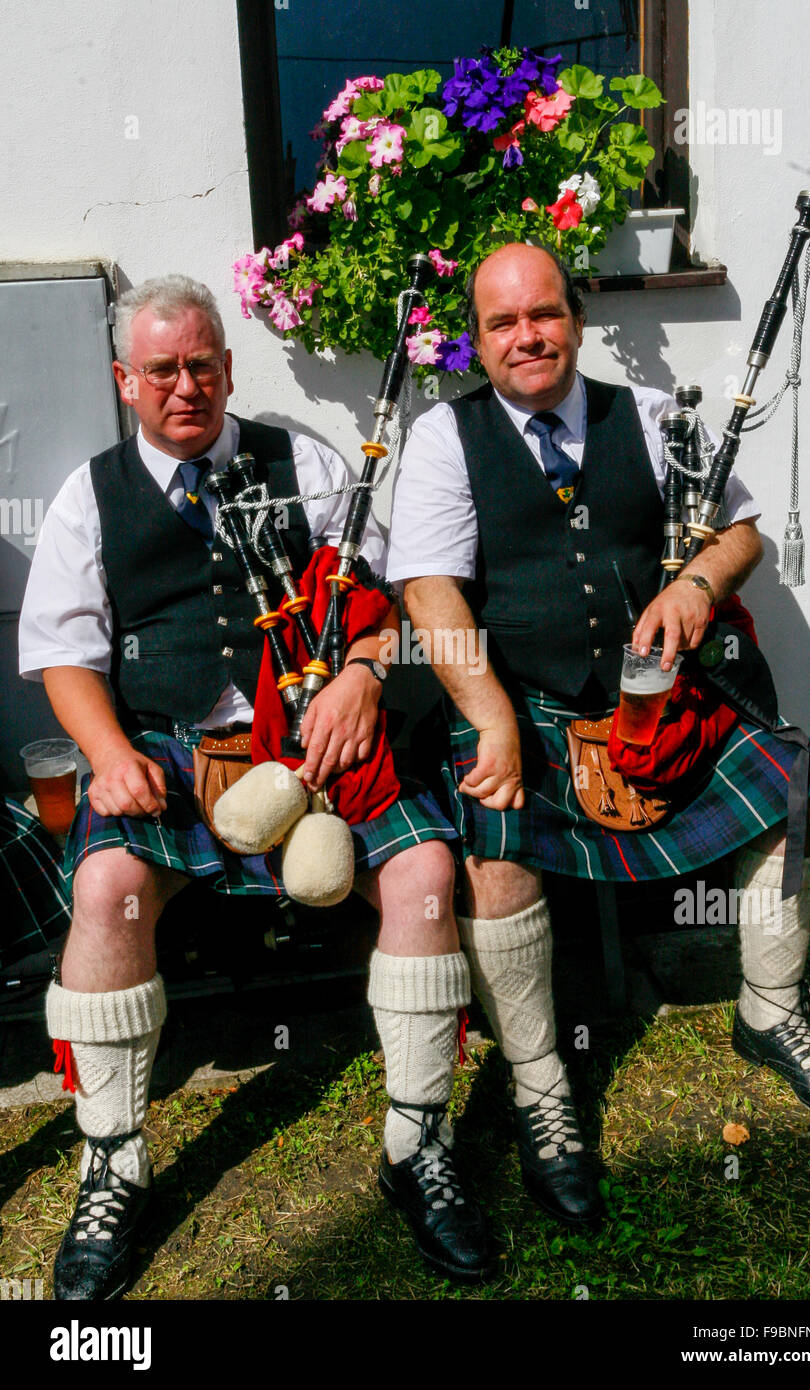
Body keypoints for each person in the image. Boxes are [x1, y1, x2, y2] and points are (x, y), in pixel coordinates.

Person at [19, 274, 491, 1298]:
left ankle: (419, 1144)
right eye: (161, 370)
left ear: (228, 367)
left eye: (201, 364)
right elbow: (63, 653)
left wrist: (365, 675)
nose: (184, 387)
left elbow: (375, 601)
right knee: (103, 892)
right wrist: (105, 750)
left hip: (320, 746)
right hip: (174, 755)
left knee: (421, 872)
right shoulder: (89, 496)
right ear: (125, 382)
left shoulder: (306, 463)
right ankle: (112, 1161)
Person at [385, 242, 810, 1239]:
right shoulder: (444, 436)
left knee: (798, 789)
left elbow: (739, 531)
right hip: (531, 710)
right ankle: (538, 1089)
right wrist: (491, 719)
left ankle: (769, 1012)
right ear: (475, 340)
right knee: (498, 852)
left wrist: (695, 584)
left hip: (658, 706)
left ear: (574, 317)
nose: (527, 336)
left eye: (544, 314)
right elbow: (427, 591)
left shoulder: (644, 418)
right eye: (501, 323)